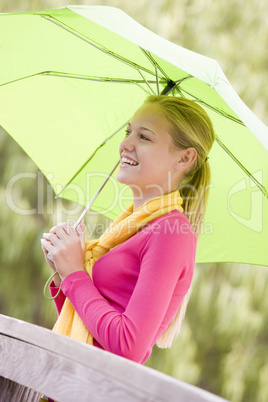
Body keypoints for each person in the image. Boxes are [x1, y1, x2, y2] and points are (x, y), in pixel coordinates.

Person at [41, 95, 215, 364]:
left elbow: (127, 347)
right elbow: (90, 330)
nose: (125, 144)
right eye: (128, 132)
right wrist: (62, 269)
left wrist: (74, 273)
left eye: (144, 137)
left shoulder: (171, 232)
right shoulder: (129, 227)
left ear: (184, 158)